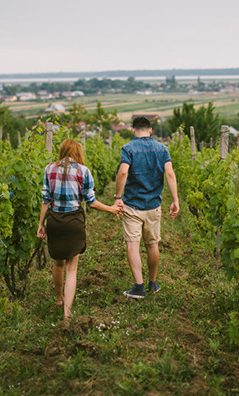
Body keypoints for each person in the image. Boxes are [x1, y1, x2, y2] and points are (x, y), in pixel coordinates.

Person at [37, 138, 120, 320]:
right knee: (71, 269)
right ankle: (67, 312)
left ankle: (59, 298)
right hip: (74, 221)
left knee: (57, 262)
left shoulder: (49, 168)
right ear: (77, 153)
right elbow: (91, 202)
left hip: (55, 220)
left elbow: (45, 199)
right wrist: (111, 209)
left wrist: (40, 224)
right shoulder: (84, 171)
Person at [114, 116, 180, 299]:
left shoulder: (128, 148)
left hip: (132, 205)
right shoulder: (162, 149)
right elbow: (170, 174)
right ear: (150, 130)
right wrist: (175, 199)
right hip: (153, 205)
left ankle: (139, 287)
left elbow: (123, 171)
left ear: (133, 130)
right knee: (152, 245)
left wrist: (118, 197)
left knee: (133, 245)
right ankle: (153, 282)